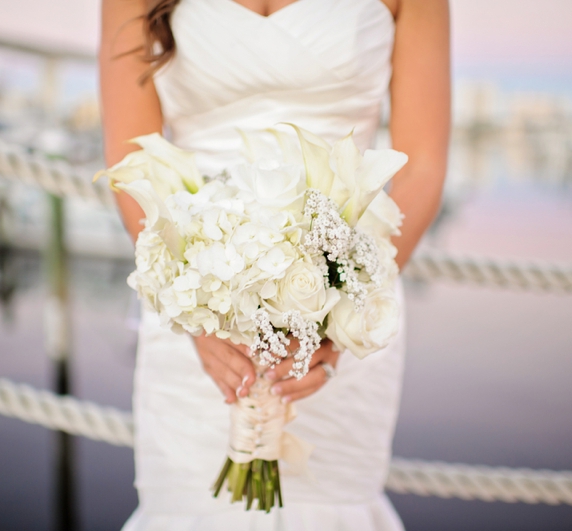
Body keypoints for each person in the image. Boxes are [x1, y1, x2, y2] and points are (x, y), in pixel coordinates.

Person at [99, 0, 450, 528]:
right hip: (195, 299)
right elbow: (132, 160)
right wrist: (194, 314)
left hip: (348, 302)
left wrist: (344, 304)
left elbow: (423, 162)